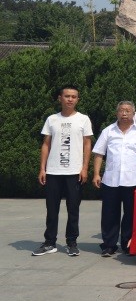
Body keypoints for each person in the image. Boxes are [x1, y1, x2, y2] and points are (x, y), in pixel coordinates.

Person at [33, 85, 94, 257]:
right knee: (52, 210)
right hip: (53, 172)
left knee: (73, 209)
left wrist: (84, 168)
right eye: (67, 96)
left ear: (78, 99)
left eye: (74, 96)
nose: (70, 99)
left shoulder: (83, 119)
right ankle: (49, 242)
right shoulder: (52, 119)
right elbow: (46, 144)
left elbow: (87, 144)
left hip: (74, 172)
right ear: (60, 98)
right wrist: (42, 168)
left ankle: (71, 242)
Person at [92, 101, 136, 257]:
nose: (124, 113)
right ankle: (109, 245)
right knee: (109, 214)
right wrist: (96, 174)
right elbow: (99, 153)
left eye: (127, 111)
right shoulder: (108, 131)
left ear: (133, 113)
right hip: (111, 179)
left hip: (133, 180)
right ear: (117, 113)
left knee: (131, 214)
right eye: (121, 110)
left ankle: (128, 244)